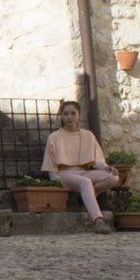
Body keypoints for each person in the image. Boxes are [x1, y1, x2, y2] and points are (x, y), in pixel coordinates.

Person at [41, 100, 116, 234]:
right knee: (85, 182)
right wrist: (55, 181)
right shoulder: (54, 137)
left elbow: (97, 159)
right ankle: (98, 221)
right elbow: (51, 163)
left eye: (73, 113)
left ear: (79, 116)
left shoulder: (88, 135)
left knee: (113, 178)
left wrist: (106, 168)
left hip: (83, 171)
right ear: (61, 116)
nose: (69, 117)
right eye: (65, 114)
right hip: (64, 174)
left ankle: (86, 195)